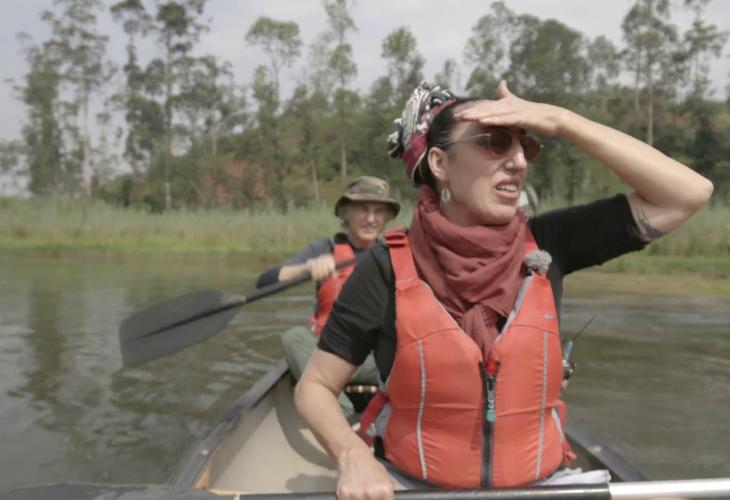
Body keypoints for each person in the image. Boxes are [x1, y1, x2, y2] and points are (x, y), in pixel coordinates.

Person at [293, 80, 714, 499]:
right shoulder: (384, 267)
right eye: (494, 142)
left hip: (541, 488)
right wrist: (353, 456)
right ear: (439, 163)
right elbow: (315, 387)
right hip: (415, 489)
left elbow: (688, 194)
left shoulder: (550, 242)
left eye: (525, 146)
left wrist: (560, 120)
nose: (518, 161)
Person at [256, 176, 400, 415]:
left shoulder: (394, 254)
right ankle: (340, 415)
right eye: (363, 209)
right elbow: (264, 281)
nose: (371, 219)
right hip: (331, 355)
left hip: (377, 360)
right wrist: (307, 267)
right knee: (293, 338)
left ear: (386, 217)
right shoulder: (324, 249)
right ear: (346, 213)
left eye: (378, 211)